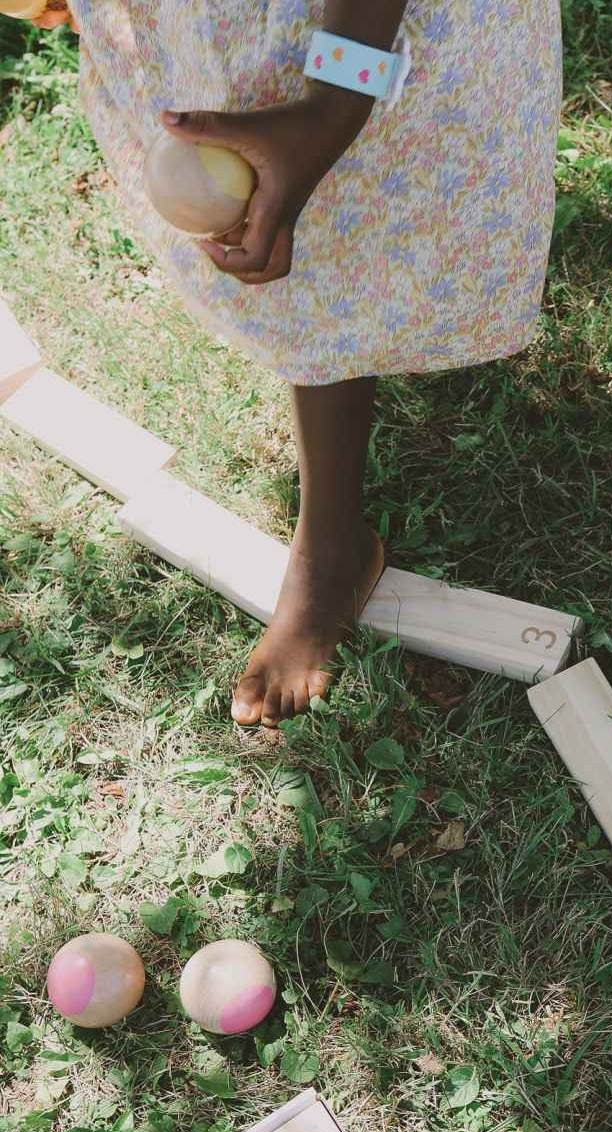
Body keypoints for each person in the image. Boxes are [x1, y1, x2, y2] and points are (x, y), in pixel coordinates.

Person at [49, 0, 560, 725]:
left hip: (349, 25)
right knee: (262, 187)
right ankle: (331, 541)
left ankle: (330, 547)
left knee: (328, 225)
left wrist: (332, 106)